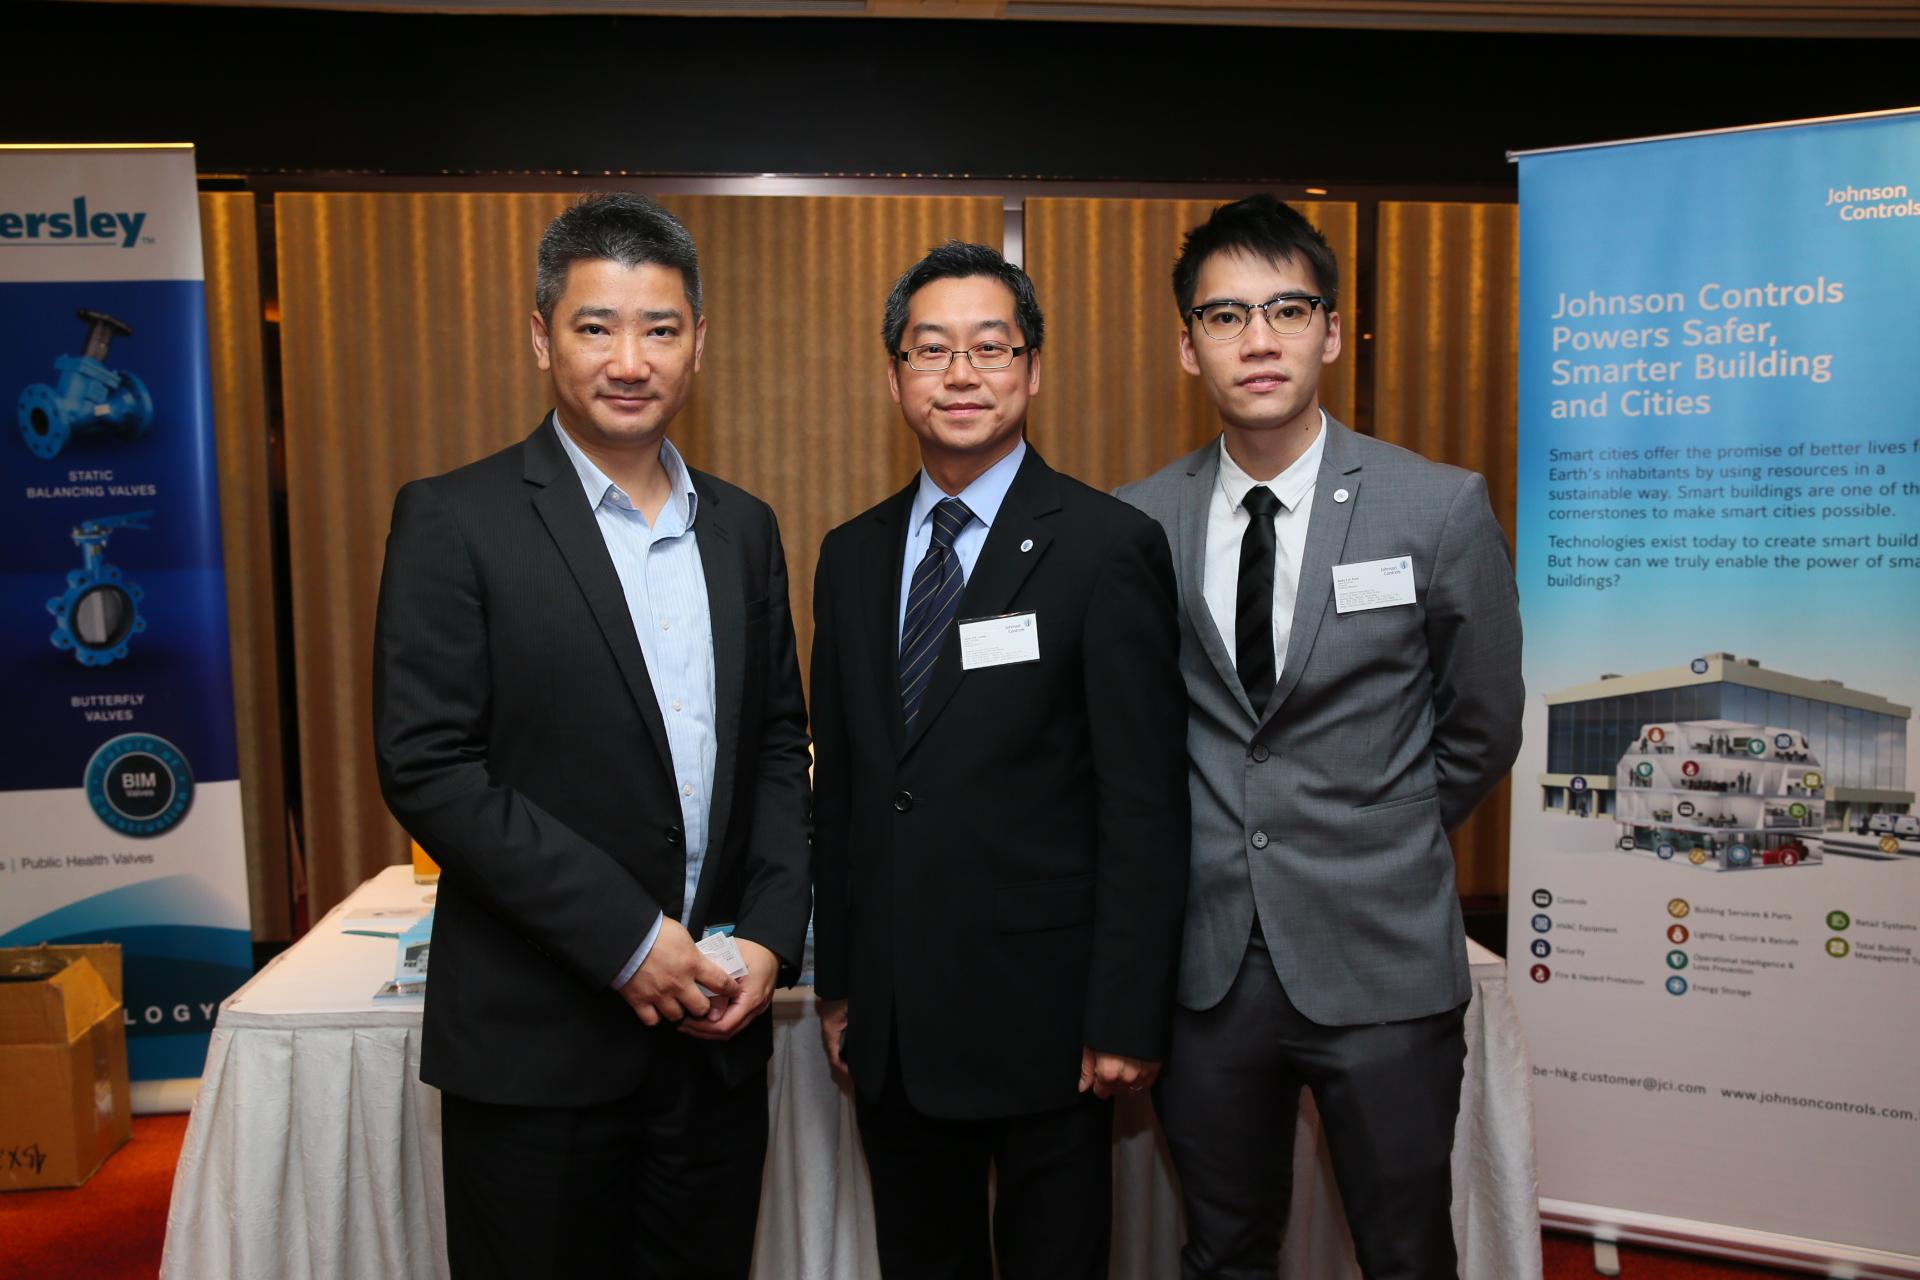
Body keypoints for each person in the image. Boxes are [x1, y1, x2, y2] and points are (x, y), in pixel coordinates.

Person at [372, 192, 812, 1280]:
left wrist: (769, 934)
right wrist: (626, 937)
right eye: (595, 326)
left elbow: (776, 745)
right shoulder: (455, 519)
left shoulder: (743, 528)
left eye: (660, 328)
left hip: (714, 1037)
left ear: (698, 342)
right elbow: (429, 766)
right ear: (541, 336)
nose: (630, 360)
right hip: (537, 1049)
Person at [1118, 195, 1524, 1279]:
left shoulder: (1436, 507)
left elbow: (1483, 722)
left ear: (1331, 332)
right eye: (1225, 315)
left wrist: (1382, 826)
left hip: (1381, 954)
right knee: (1225, 1249)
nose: (1258, 339)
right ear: (1189, 345)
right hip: (1207, 967)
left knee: (1405, 1251)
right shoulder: (1139, 522)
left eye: (1287, 310)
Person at [808, 241, 1189, 1279]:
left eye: (991, 346)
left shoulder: (1106, 546)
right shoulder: (851, 554)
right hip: (894, 1023)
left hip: (1048, 1021)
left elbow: (1144, 802)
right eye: (931, 349)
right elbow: (844, 789)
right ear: (895, 375)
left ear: (1032, 369)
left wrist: (1126, 1010)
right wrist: (840, 985)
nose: (961, 374)